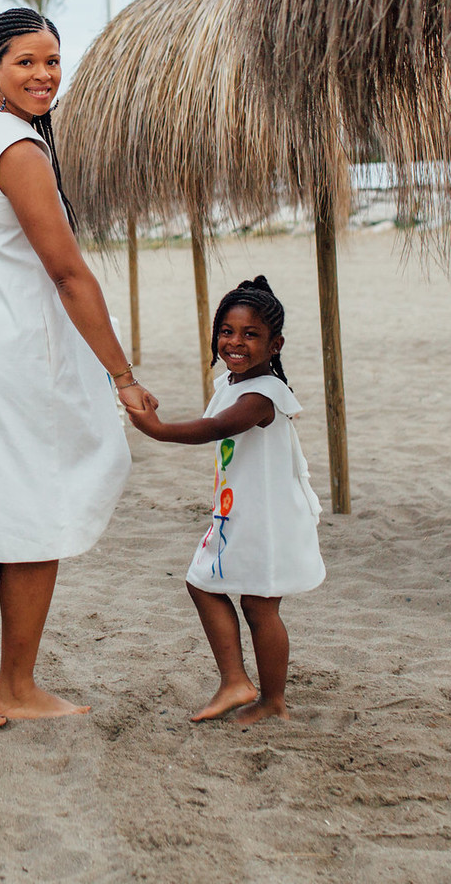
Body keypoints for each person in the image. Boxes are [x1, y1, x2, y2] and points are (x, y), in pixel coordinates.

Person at [0, 7, 156, 731]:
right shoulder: (17, 148)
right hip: (11, 356)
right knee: (39, 509)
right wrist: (122, 375)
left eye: (52, 61)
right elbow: (69, 273)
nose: (44, 75)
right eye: (26, 63)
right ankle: (14, 685)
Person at [127, 277, 326, 726]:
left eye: (251, 335)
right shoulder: (233, 383)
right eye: (227, 331)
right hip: (238, 514)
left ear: (275, 345)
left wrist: (158, 430)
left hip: (267, 519)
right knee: (203, 584)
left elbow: (215, 428)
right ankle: (236, 681)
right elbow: (211, 418)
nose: (235, 342)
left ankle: (272, 699)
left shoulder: (264, 394)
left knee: (259, 606)